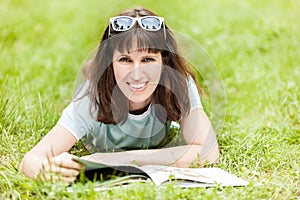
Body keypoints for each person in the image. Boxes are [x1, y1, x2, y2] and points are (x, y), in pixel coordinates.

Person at [20, 7, 219, 183]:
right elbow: (31, 160)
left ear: (164, 62)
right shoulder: (92, 96)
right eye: (125, 59)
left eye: (148, 59)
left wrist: (113, 160)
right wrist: (46, 172)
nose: (137, 73)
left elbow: (208, 151)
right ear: (110, 62)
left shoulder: (178, 84)